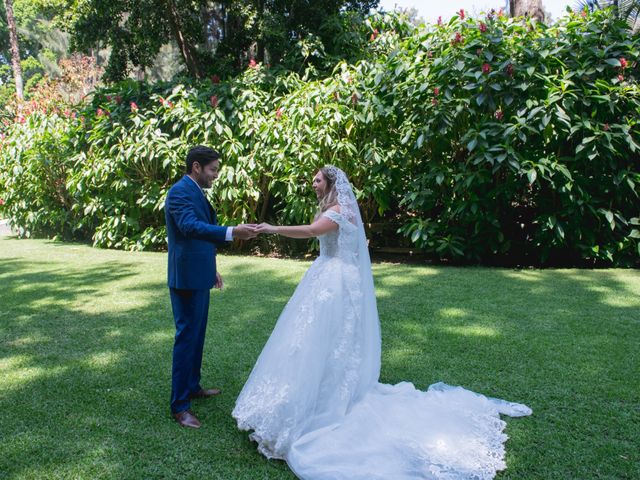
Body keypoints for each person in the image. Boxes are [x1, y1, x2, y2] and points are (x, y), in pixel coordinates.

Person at [232, 165, 532, 479]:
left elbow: (310, 232)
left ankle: (324, 403)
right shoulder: (339, 209)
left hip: (333, 282)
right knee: (317, 341)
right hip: (329, 277)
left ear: (332, 184)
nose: (313, 184)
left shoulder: (336, 212)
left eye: (318, 180)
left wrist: (270, 228)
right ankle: (315, 393)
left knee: (323, 340)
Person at [165, 145, 257, 428]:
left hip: (199, 273)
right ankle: (180, 406)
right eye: (213, 170)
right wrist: (232, 232)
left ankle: (192, 386)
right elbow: (190, 228)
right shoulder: (179, 192)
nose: (215, 175)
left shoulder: (195, 191)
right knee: (186, 338)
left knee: (197, 336)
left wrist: (211, 268)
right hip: (186, 278)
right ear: (196, 167)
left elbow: (197, 238)